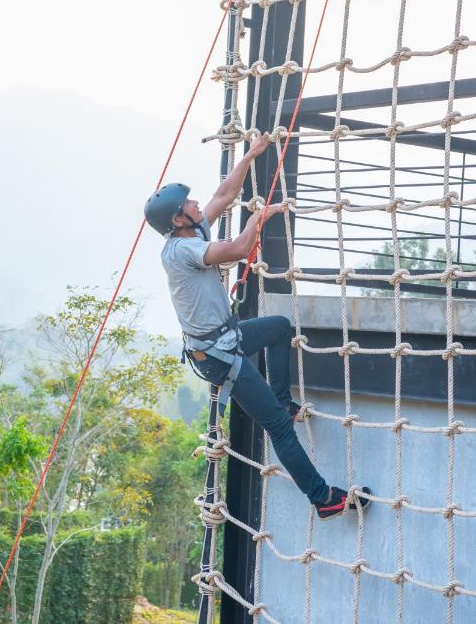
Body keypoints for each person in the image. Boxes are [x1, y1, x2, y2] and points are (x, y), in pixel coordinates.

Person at [144, 133, 371, 520]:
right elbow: (235, 250)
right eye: (189, 203)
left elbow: (223, 195)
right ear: (178, 219)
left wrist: (250, 154)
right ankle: (324, 499)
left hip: (224, 338)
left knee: (279, 327)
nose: (198, 203)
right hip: (219, 355)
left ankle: (281, 398)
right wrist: (258, 218)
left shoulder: (192, 230)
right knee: (279, 428)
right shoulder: (182, 250)